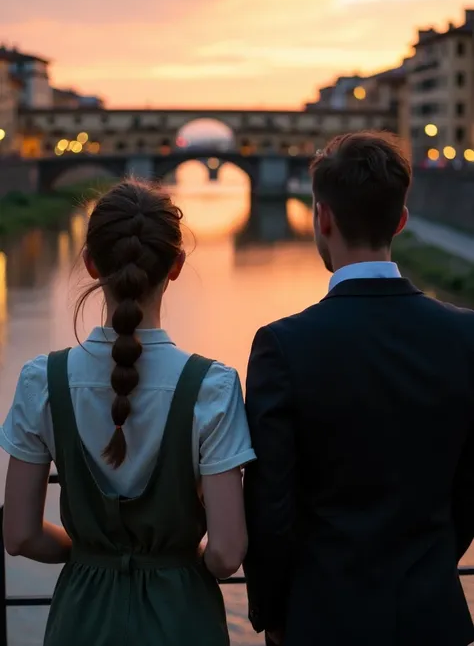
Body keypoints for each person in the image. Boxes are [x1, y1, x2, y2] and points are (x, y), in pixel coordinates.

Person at [0, 179, 256, 646]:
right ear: (175, 266)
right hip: (182, 618)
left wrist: (92, 554)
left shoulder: (42, 381)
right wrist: (170, 563)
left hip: (82, 615)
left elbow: (18, 534)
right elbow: (225, 554)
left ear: (90, 264)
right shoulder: (212, 388)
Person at [243, 132, 474, 646]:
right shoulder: (466, 336)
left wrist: (275, 615)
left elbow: (271, 507)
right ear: (401, 221)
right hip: (432, 616)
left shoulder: (283, 346)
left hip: (324, 618)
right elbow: (468, 487)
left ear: (321, 218)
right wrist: (431, 561)